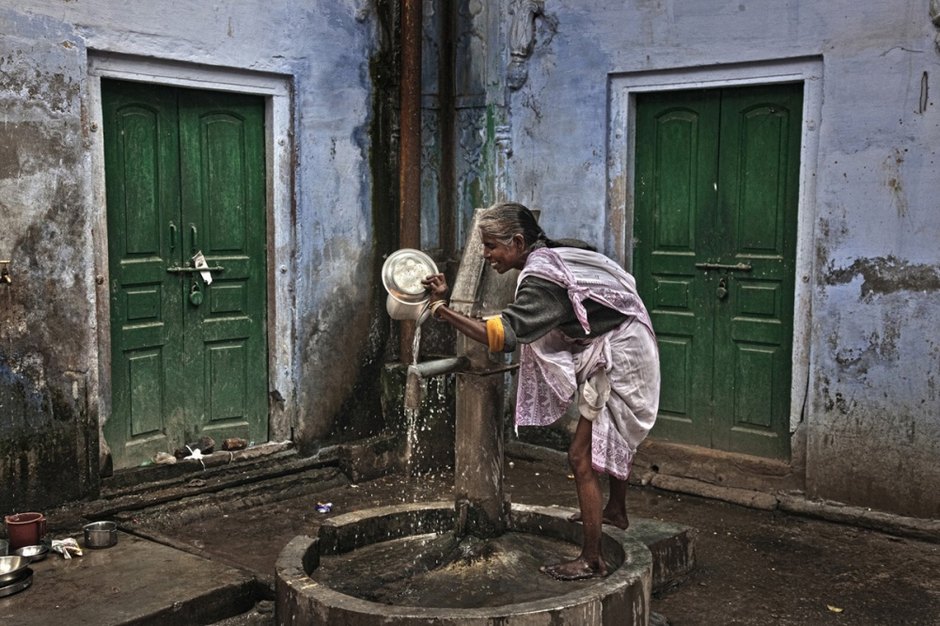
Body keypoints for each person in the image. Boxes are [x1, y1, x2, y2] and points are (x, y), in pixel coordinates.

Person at [421, 201, 660, 581]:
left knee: (580, 456)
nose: (486, 255)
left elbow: (502, 336)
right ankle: (616, 510)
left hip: (620, 351)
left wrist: (441, 310)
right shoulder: (554, 250)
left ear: (517, 242)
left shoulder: (540, 280)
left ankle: (592, 559)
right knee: (611, 432)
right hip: (624, 335)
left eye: (492, 246)